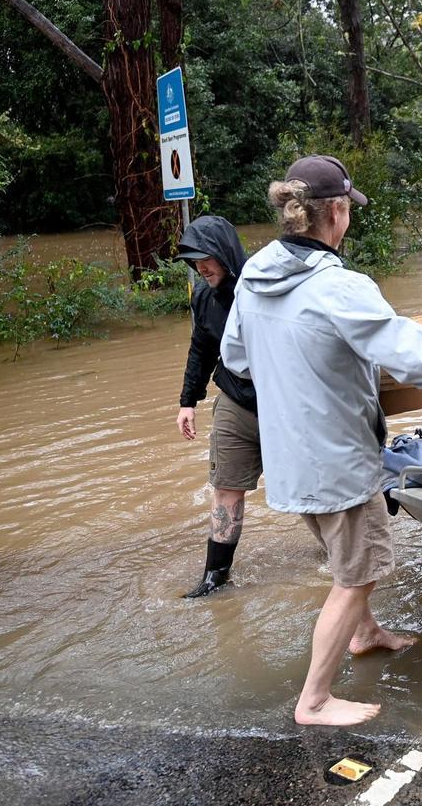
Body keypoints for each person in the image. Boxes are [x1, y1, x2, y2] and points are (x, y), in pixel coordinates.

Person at [220, 155, 422, 727]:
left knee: (347, 559)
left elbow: (235, 358)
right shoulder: (339, 285)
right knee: (358, 572)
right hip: (337, 459)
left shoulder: (254, 275)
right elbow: (413, 357)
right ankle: (313, 700)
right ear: (334, 212)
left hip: (286, 457)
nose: (348, 220)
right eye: (347, 211)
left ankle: (367, 633)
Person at [174, 215, 259, 599]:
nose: (200, 268)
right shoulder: (203, 296)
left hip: (283, 404)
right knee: (225, 488)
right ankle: (215, 578)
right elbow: (201, 348)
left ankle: (334, 557)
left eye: (205, 258)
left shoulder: (262, 289)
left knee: (311, 488)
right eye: (193, 262)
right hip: (234, 401)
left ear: (226, 253)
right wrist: (188, 401)